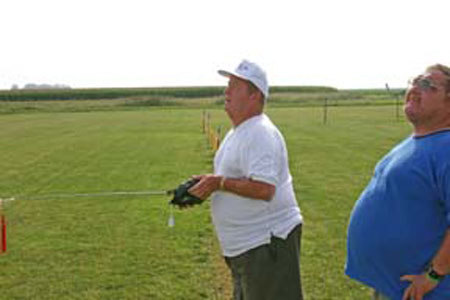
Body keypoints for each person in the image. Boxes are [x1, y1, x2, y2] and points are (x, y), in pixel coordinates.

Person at [188, 59, 304, 300]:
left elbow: (264, 189)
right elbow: (233, 178)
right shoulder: (239, 131)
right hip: (247, 249)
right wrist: (206, 183)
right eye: (228, 85)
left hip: (266, 246)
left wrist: (217, 183)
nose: (226, 91)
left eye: (234, 86)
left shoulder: (260, 133)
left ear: (254, 95)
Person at [346, 64, 450, 300]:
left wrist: (434, 275)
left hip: (421, 292)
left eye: (427, 85)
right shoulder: (417, 141)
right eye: (414, 81)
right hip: (394, 286)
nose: (414, 89)